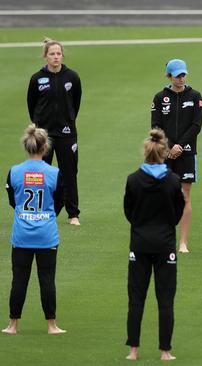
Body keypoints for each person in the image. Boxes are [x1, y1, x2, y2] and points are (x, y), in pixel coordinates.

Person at [123, 129, 185, 361]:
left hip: (139, 244)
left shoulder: (133, 179)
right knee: (165, 299)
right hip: (165, 244)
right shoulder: (173, 181)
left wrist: (140, 226)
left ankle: (133, 350)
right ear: (163, 153)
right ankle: (165, 351)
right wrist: (166, 228)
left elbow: (128, 210)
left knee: (136, 299)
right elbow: (178, 211)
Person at [2, 124, 66, 335]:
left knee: (19, 279)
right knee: (47, 280)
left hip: (22, 234)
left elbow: (13, 200)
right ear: (45, 146)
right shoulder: (54, 173)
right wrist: (46, 215)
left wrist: (25, 215)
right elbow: (59, 202)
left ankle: (12, 325)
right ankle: (51, 325)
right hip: (46, 234)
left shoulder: (15, 172)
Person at [27, 38, 82, 226]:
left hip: (67, 133)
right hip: (43, 135)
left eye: (58, 53)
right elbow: (32, 104)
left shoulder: (72, 77)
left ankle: (73, 214)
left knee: (69, 173)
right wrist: (39, 125)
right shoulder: (36, 78)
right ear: (45, 56)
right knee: (42, 174)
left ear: (62, 55)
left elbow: (76, 103)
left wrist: (68, 121)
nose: (56, 57)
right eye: (52, 54)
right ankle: (43, 211)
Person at [151, 59, 202, 253]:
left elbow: (196, 126)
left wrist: (179, 146)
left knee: (185, 195)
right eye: (177, 75)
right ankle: (165, 238)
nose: (181, 79)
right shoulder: (159, 98)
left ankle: (183, 242)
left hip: (187, 152)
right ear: (169, 76)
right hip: (164, 153)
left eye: (183, 75)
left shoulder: (195, 96)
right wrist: (169, 147)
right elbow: (156, 126)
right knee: (164, 195)